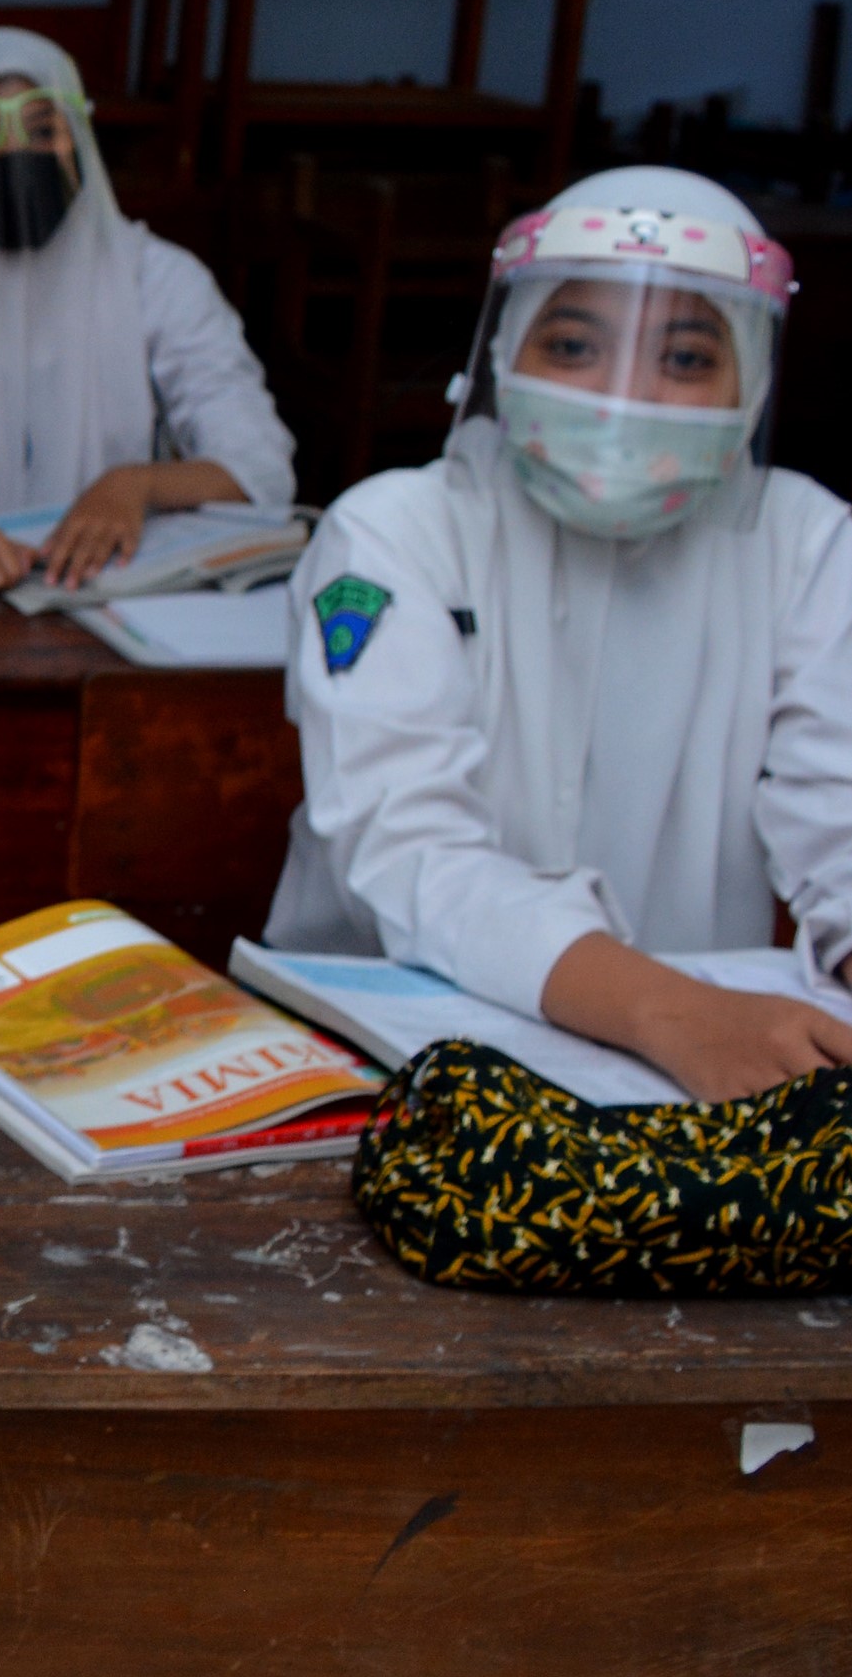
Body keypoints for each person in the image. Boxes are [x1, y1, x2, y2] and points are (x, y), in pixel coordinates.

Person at [268, 168, 852, 1110]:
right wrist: (673, 1013)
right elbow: (405, 848)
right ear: (505, 350)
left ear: (751, 380)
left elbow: (839, 817)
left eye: (686, 358)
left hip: (701, 1078)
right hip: (384, 1071)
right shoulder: (392, 531)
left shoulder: (807, 540)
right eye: (574, 346)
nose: (622, 397)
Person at [0, 27, 295, 592]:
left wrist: (136, 486)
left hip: (117, 590)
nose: (14, 155)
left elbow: (259, 461)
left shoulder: (159, 279)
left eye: (44, 130)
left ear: (82, 144)